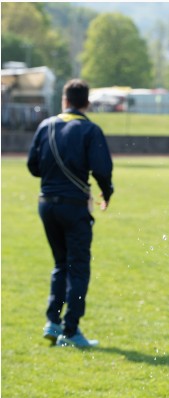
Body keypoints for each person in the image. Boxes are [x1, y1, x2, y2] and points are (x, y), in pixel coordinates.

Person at [27, 79, 114, 348]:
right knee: (78, 268)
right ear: (86, 103)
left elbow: (33, 166)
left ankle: (52, 321)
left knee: (60, 264)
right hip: (74, 206)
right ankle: (70, 330)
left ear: (64, 100)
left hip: (46, 204)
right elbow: (101, 168)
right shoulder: (90, 130)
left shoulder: (45, 126)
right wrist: (106, 192)